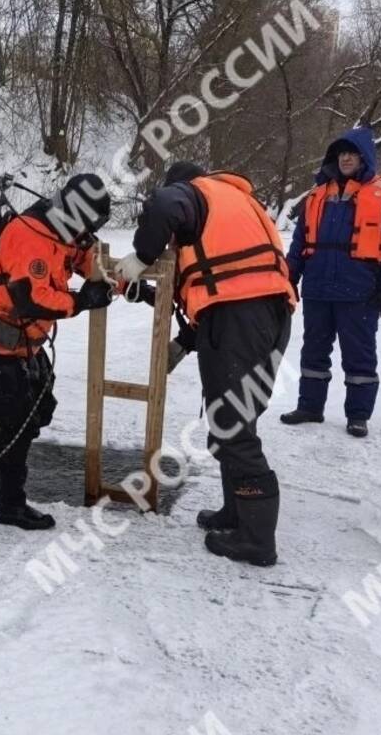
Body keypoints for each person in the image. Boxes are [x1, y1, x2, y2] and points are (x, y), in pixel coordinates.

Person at [115, 162, 296, 567]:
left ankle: (256, 541)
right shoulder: (234, 209)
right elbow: (213, 284)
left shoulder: (195, 192)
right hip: (265, 316)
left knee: (233, 427)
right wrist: (179, 336)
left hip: (241, 317)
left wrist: (141, 256)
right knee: (233, 421)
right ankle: (236, 514)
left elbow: (164, 205)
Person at [0, 174, 114, 530]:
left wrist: (121, 281)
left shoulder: (60, 232)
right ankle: (10, 505)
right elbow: (31, 298)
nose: (88, 231)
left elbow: (84, 259)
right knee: (17, 424)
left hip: (24, 343)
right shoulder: (31, 235)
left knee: (39, 409)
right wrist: (81, 301)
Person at [281, 125, 381, 437]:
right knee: (313, 352)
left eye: (352, 153)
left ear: (365, 156)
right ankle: (310, 407)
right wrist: (289, 278)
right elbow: (300, 242)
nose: (346, 158)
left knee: (359, 356)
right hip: (317, 289)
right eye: (341, 152)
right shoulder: (317, 194)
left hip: (360, 291)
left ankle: (358, 415)